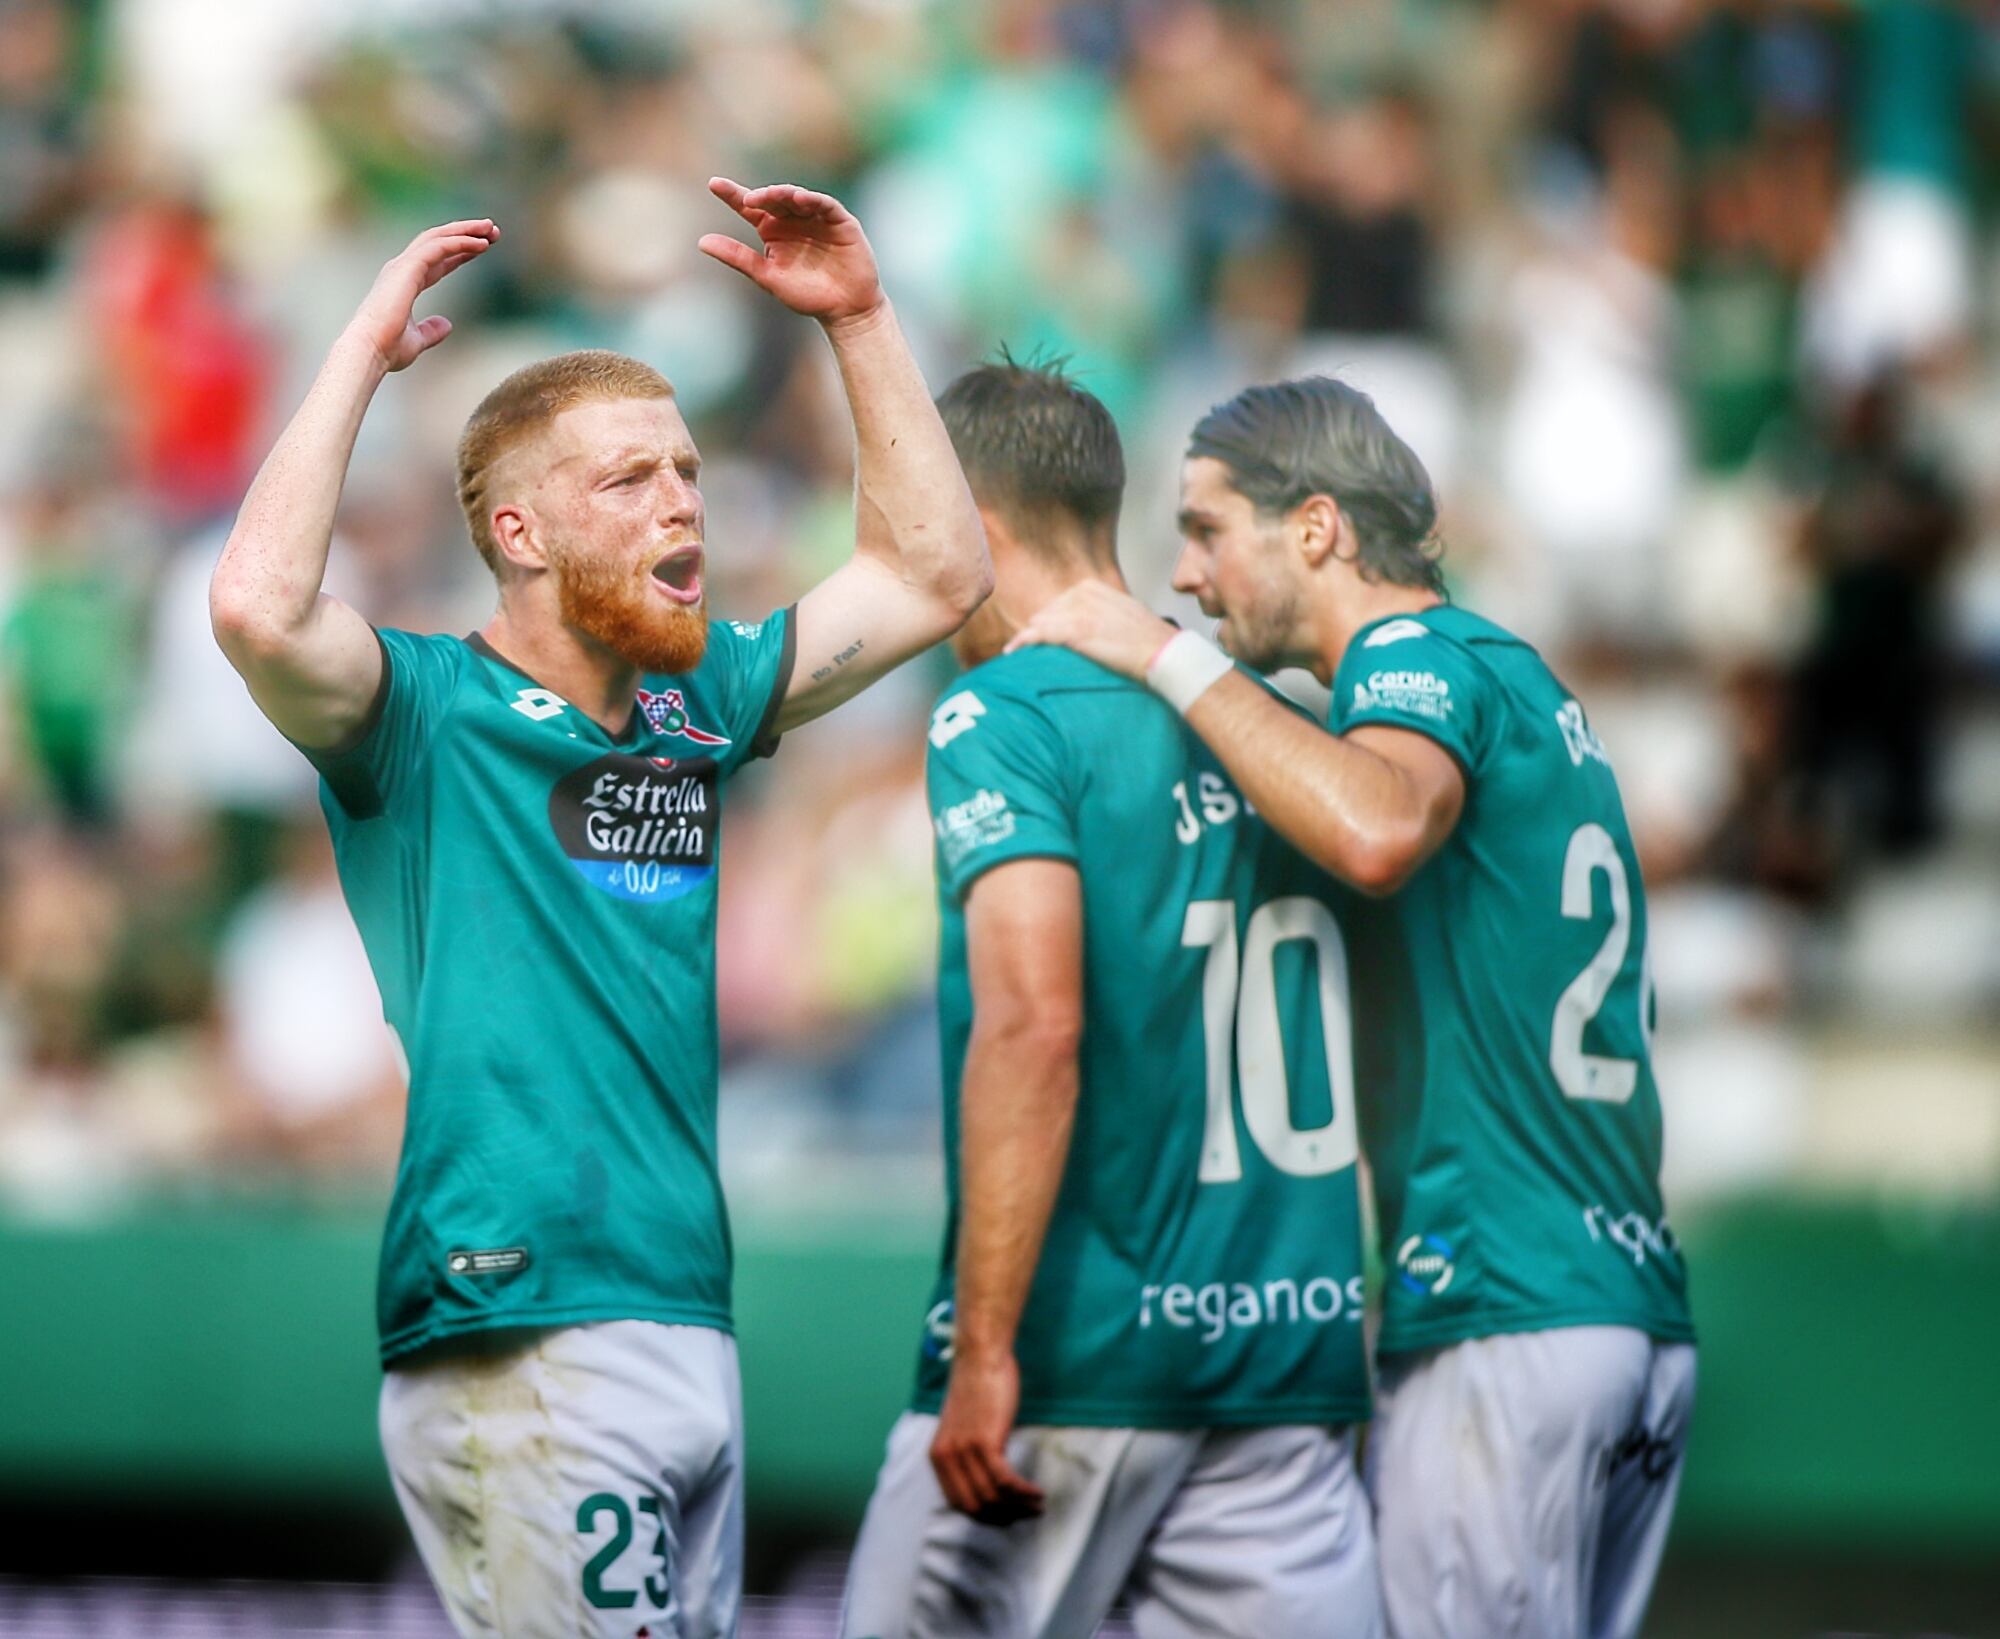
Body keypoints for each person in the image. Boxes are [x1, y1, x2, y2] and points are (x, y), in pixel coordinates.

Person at [209, 183, 990, 1639]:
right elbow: (256, 606)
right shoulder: (424, 712)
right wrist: (358, 356)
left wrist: (864, 322)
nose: (682, 499)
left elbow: (936, 571)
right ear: (519, 528)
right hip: (519, 1325)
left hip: (685, 1305)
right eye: (629, 478)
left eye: (686, 469)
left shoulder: (702, 704)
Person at [1009, 376, 1696, 1639]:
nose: (1188, 574)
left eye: (1208, 531)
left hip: (1505, 1307)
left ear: (1314, 528)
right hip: (1621, 1304)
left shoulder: (1410, 653)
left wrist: (1157, 657)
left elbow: (1376, 826)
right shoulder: (1517, 674)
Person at [842, 360, 1385, 1639]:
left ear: (965, 518)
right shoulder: (1266, 724)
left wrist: (983, 1352)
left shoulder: (1002, 710)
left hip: (1076, 1364)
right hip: (1281, 1367)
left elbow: (1033, 1025)